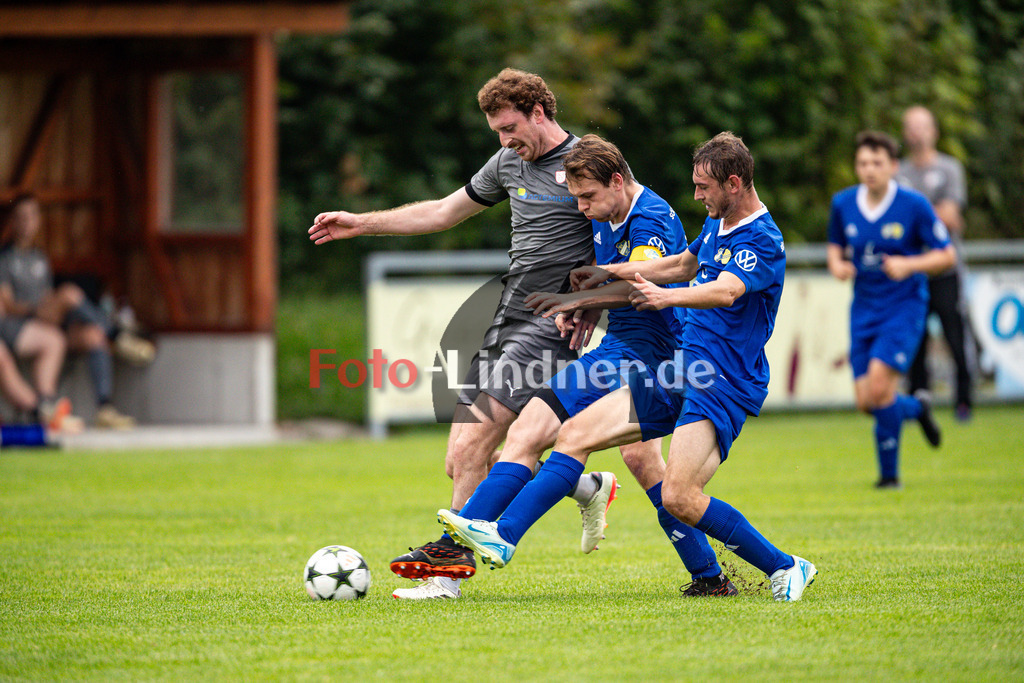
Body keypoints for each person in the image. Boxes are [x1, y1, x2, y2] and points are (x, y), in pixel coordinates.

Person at [440, 132, 819, 602]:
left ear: (735, 183)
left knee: (679, 496)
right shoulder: (716, 226)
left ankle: (786, 567)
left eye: (704, 188)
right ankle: (503, 533)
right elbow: (682, 264)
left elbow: (725, 290)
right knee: (575, 435)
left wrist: (661, 297)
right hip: (678, 371)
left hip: (720, 380)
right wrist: (611, 275)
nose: (696, 196)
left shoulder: (761, 238)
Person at [309, 69, 617, 600]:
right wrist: (361, 222)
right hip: (507, 317)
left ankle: (445, 576)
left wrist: (589, 300)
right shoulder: (507, 163)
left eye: (510, 127)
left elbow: (625, 235)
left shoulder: (588, 166)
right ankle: (583, 484)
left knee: (476, 440)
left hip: (552, 324)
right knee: (461, 456)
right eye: (497, 131)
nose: (503, 141)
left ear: (539, 113)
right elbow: (444, 212)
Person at [391, 133, 737, 598]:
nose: (581, 209)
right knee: (573, 440)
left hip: (654, 358)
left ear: (617, 181)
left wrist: (575, 299)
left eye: (588, 197)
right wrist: (589, 308)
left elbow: (639, 282)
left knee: (572, 440)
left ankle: (467, 543)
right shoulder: (604, 209)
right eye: (575, 198)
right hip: (620, 346)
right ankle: (709, 576)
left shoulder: (650, 218)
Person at [827, 131, 956, 488]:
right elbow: (835, 248)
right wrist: (838, 266)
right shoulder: (844, 203)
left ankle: (889, 477)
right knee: (866, 401)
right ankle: (916, 408)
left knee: (881, 389)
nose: (869, 169)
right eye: (862, 163)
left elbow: (947, 254)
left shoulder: (914, 205)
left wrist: (910, 265)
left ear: (893, 166)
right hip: (863, 309)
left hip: (904, 307)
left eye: (877, 163)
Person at [0, 194, 154, 430]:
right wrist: (38, 309)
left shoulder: (39, 257)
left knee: (92, 336)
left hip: (47, 321)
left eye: (32, 216)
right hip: (21, 321)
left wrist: (51, 309)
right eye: (21, 217)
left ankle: (104, 408)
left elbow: (47, 295)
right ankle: (116, 335)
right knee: (70, 294)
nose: (27, 222)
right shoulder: (5, 258)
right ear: (12, 221)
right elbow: (8, 304)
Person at [897, 106, 974, 422]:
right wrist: (931, 212)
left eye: (922, 126)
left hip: (946, 270)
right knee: (915, 343)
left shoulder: (950, 169)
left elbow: (953, 217)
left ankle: (964, 401)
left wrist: (915, 213)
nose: (916, 132)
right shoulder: (898, 171)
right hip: (913, 272)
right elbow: (896, 221)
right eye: (910, 127)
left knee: (956, 337)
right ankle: (919, 404)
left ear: (934, 131)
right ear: (904, 133)